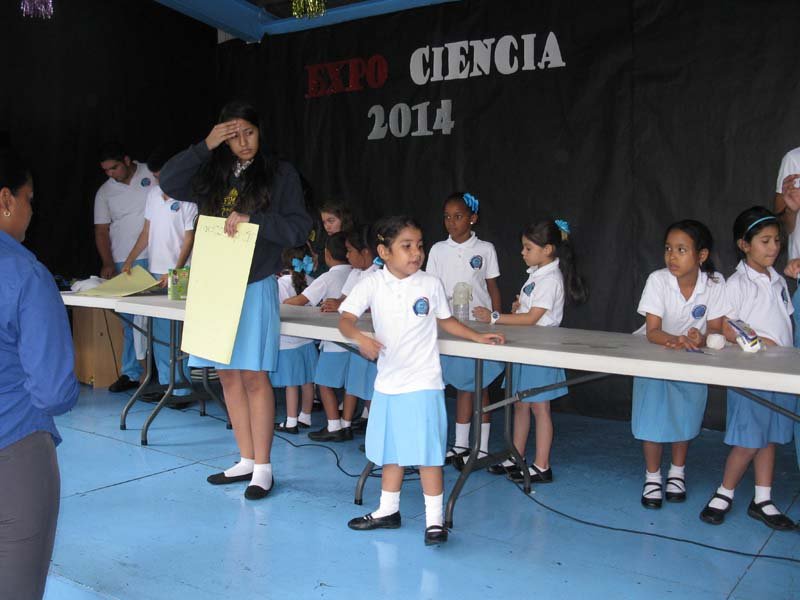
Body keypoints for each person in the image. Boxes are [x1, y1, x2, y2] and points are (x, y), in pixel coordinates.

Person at [159, 101, 312, 500]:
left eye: (249, 132)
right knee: (226, 375)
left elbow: (298, 228)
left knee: (253, 376)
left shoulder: (280, 174)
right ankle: (244, 458)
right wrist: (205, 145)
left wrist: (254, 221)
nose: (243, 142)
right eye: (233, 134)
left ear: (261, 132)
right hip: (212, 284)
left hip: (253, 282)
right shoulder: (213, 170)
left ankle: (263, 467)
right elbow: (169, 182)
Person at [340, 216, 505, 546]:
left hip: (424, 384)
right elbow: (345, 319)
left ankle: (434, 521)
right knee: (391, 453)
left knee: (428, 455)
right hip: (388, 386)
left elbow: (446, 321)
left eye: (419, 245)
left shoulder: (430, 284)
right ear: (384, 252)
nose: (416, 253)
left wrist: (478, 337)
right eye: (406, 246)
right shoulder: (372, 283)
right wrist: (360, 337)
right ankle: (388, 510)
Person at [0, 151, 79, 599]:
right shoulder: (25, 274)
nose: (31, 211)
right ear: (7, 199)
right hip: (13, 449)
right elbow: (53, 391)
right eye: (29, 199)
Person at [700, 207, 797, 530]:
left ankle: (763, 499)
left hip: (780, 374)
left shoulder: (778, 281)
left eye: (777, 241)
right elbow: (727, 325)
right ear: (744, 245)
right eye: (765, 241)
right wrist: (759, 342)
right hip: (752, 374)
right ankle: (724, 492)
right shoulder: (737, 283)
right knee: (749, 440)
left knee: (767, 438)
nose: (773, 248)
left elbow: (784, 320)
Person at [475, 219, 588, 483]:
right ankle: (516, 455)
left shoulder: (550, 280)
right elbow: (527, 313)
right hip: (527, 349)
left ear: (548, 249)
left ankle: (542, 465)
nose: (522, 253)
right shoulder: (537, 276)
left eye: (527, 248)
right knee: (521, 405)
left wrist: (494, 317)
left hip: (541, 350)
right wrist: (518, 308)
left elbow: (532, 319)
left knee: (540, 408)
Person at [629, 220, 728, 509]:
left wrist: (701, 337)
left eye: (682, 250)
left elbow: (715, 330)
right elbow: (653, 331)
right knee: (652, 416)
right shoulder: (657, 280)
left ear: (702, 255)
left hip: (689, 357)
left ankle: (677, 472)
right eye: (668, 249)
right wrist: (675, 339)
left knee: (685, 412)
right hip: (654, 351)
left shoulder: (715, 283)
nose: (672, 256)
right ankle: (652, 476)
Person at [426, 192, 503, 466]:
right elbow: (430, 288)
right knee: (461, 385)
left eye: (458, 216)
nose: (451, 222)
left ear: (473, 218)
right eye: (447, 217)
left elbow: (492, 287)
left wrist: (496, 317)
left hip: (478, 327)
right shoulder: (437, 250)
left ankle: (480, 448)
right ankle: (460, 444)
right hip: (450, 325)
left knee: (479, 383)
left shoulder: (485, 249)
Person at [121, 147, 197, 398]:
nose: (158, 181)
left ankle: (182, 385)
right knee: (159, 329)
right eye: (155, 176)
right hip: (155, 269)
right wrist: (131, 259)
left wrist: (176, 270)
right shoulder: (153, 194)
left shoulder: (187, 197)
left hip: (180, 271)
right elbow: (146, 232)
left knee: (179, 327)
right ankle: (167, 382)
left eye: (162, 175)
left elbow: (189, 239)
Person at [94, 142, 155, 392]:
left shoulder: (151, 174)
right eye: (106, 170)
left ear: (128, 160)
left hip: (157, 256)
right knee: (130, 321)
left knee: (162, 319)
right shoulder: (104, 192)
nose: (111, 174)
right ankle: (132, 372)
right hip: (124, 259)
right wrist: (108, 262)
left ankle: (164, 373)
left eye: (114, 167)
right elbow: (101, 230)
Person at [284, 232, 353, 441]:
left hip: (334, 341)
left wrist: (281, 304)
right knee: (352, 385)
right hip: (357, 340)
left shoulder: (328, 277)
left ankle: (333, 425)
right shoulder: (357, 274)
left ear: (327, 254)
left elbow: (302, 300)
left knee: (323, 383)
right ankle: (347, 423)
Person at [321, 224, 381, 433]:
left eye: (350, 251)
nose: (347, 256)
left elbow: (372, 308)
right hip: (357, 339)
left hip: (372, 339)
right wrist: (335, 303)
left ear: (365, 252)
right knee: (358, 385)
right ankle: (350, 426)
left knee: (373, 389)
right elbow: (345, 300)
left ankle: (376, 432)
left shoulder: (379, 274)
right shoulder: (355, 273)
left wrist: (344, 306)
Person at [273, 247, 318, 433]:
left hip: (287, 341)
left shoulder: (280, 283)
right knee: (308, 381)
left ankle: (291, 421)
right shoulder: (311, 281)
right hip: (308, 340)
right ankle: (305, 417)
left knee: (291, 384)